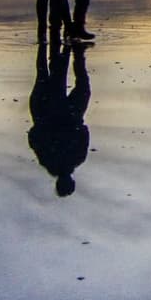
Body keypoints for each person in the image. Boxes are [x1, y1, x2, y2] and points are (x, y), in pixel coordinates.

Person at [28, 40, 90, 197]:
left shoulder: (73, 158)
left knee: (66, 79)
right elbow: (33, 137)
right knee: (49, 73)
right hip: (58, 115)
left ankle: (73, 51)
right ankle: (72, 50)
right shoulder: (56, 160)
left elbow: (84, 132)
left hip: (54, 115)